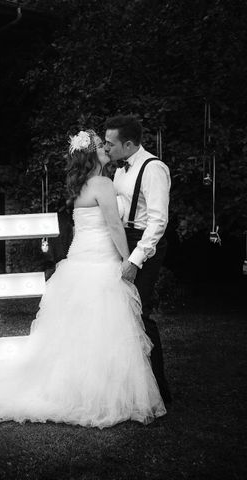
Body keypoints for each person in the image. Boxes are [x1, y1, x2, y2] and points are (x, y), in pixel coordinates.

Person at [0, 130, 166, 428]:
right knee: (104, 328)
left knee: (76, 332)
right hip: (100, 261)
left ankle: (78, 387)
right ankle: (97, 393)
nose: (106, 148)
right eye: (101, 145)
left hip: (79, 259)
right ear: (91, 153)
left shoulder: (81, 185)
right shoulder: (102, 183)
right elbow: (115, 227)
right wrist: (130, 262)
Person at [104, 115, 172, 404]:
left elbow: (158, 221)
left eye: (110, 144)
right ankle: (128, 385)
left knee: (139, 313)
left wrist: (135, 260)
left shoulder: (154, 169)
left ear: (128, 144)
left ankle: (158, 389)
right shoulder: (119, 170)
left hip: (146, 244)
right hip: (122, 240)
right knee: (118, 313)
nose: (106, 148)